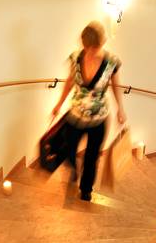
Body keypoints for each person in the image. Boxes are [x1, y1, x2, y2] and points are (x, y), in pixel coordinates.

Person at [51, 21, 126, 201]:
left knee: (92, 157)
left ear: (102, 43)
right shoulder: (76, 57)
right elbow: (70, 81)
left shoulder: (111, 62)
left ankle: (86, 189)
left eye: (94, 48)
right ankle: (73, 170)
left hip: (99, 119)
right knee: (68, 148)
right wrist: (59, 104)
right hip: (75, 114)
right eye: (87, 47)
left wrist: (120, 109)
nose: (90, 52)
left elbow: (116, 86)